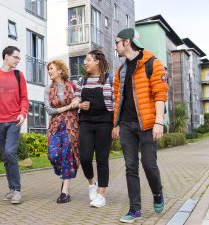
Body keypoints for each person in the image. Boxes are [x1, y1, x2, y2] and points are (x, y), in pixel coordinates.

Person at [112, 28, 168, 223]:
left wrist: (159, 122)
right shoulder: (121, 71)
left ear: (127, 42)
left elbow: (160, 95)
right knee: (130, 166)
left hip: (148, 123)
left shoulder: (153, 64)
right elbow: (118, 98)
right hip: (127, 125)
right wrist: (116, 124)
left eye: (117, 42)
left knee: (149, 164)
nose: (116, 46)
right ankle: (134, 209)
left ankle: (158, 193)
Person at [0, 46, 29, 204]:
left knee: (10, 153)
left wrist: (23, 113)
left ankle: (16, 190)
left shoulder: (18, 75)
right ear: (6, 57)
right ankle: (11, 188)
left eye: (18, 58)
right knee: (6, 157)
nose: (17, 60)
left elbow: (24, 97)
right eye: (15, 57)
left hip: (14, 121)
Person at [74, 49, 114, 208]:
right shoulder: (82, 81)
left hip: (105, 122)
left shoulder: (109, 80)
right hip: (86, 122)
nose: (85, 63)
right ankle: (92, 183)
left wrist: (116, 125)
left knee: (102, 159)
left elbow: (115, 101)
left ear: (97, 61)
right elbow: (76, 98)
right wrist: (79, 104)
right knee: (84, 157)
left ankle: (101, 195)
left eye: (88, 60)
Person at [44, 60, 80, 204]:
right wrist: (68, 106)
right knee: (53, 155)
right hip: (55, 126)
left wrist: (77, 102)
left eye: (51, 69)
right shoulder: (47, 89)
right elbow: (49, 110)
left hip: (71, 125)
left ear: (60, 70)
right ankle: (64, 176)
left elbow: (79, 100)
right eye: (48, 69)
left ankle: (65, 190)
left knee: (67, 155)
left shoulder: (73, 86)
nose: (49, 71)